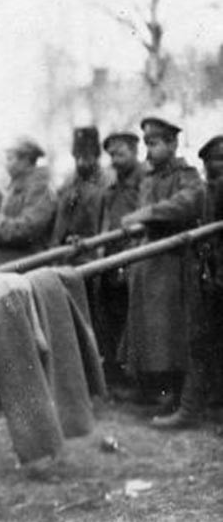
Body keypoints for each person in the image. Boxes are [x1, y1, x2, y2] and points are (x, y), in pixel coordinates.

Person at [123, 134, 223, 428]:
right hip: (213, 276)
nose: (214, 170)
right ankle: (190, 409)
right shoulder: (210, 191)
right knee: (201, 341)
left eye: (219, 163)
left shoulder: (202, 186)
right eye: (211, 165)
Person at [93, 131, 146, 397]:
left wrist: (132, 256)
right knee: (112, 316)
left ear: (136, 151)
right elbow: (106, 222)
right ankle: (116, 377)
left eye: (120, 153)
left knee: (133, 319)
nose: (114, 159)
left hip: (136, 257)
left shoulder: (145, 181)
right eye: (111, 154)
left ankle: (139, 381)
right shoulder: (111, 186)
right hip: (112, 259)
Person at [0, 135, 58, 267]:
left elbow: (28, 229)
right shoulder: (15, 187)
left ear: (26, 160)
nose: (6, 164)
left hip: (25, 269)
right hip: (8, 266)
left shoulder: (40, 189)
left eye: (10, 158)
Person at [51, 126, 107, 247]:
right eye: (77, 157)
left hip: (92, 248)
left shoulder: (106, 182)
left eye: (86, 157)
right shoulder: (68, 184)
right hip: (65, 250)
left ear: (96, 155)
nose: (81, 162)